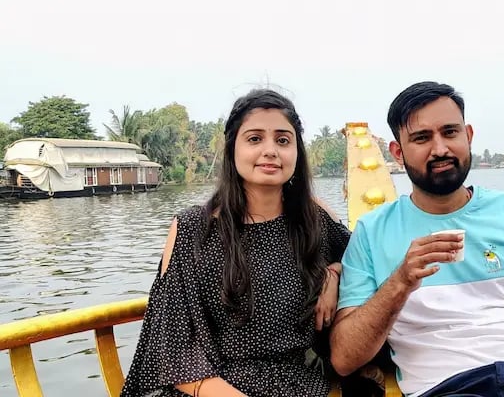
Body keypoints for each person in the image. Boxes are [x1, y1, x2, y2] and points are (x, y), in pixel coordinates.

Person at [330, 81, 504, 397]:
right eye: (422, 138)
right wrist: (399, 282)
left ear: (468, 136)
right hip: (446, 388)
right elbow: (345, 359)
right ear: (397, 152)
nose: (440, 149)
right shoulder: (372, 232)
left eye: (450, 133)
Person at [120, 89, 351, 397]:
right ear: (232, 149)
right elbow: (174, 350)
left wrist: (334, 274)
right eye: (255, 139)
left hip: (297, 385)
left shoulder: (315, 220)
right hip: (209, 387)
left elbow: (366, 265)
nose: (270, 150)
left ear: (297, 151)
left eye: (283, 140)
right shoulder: (193, 229)